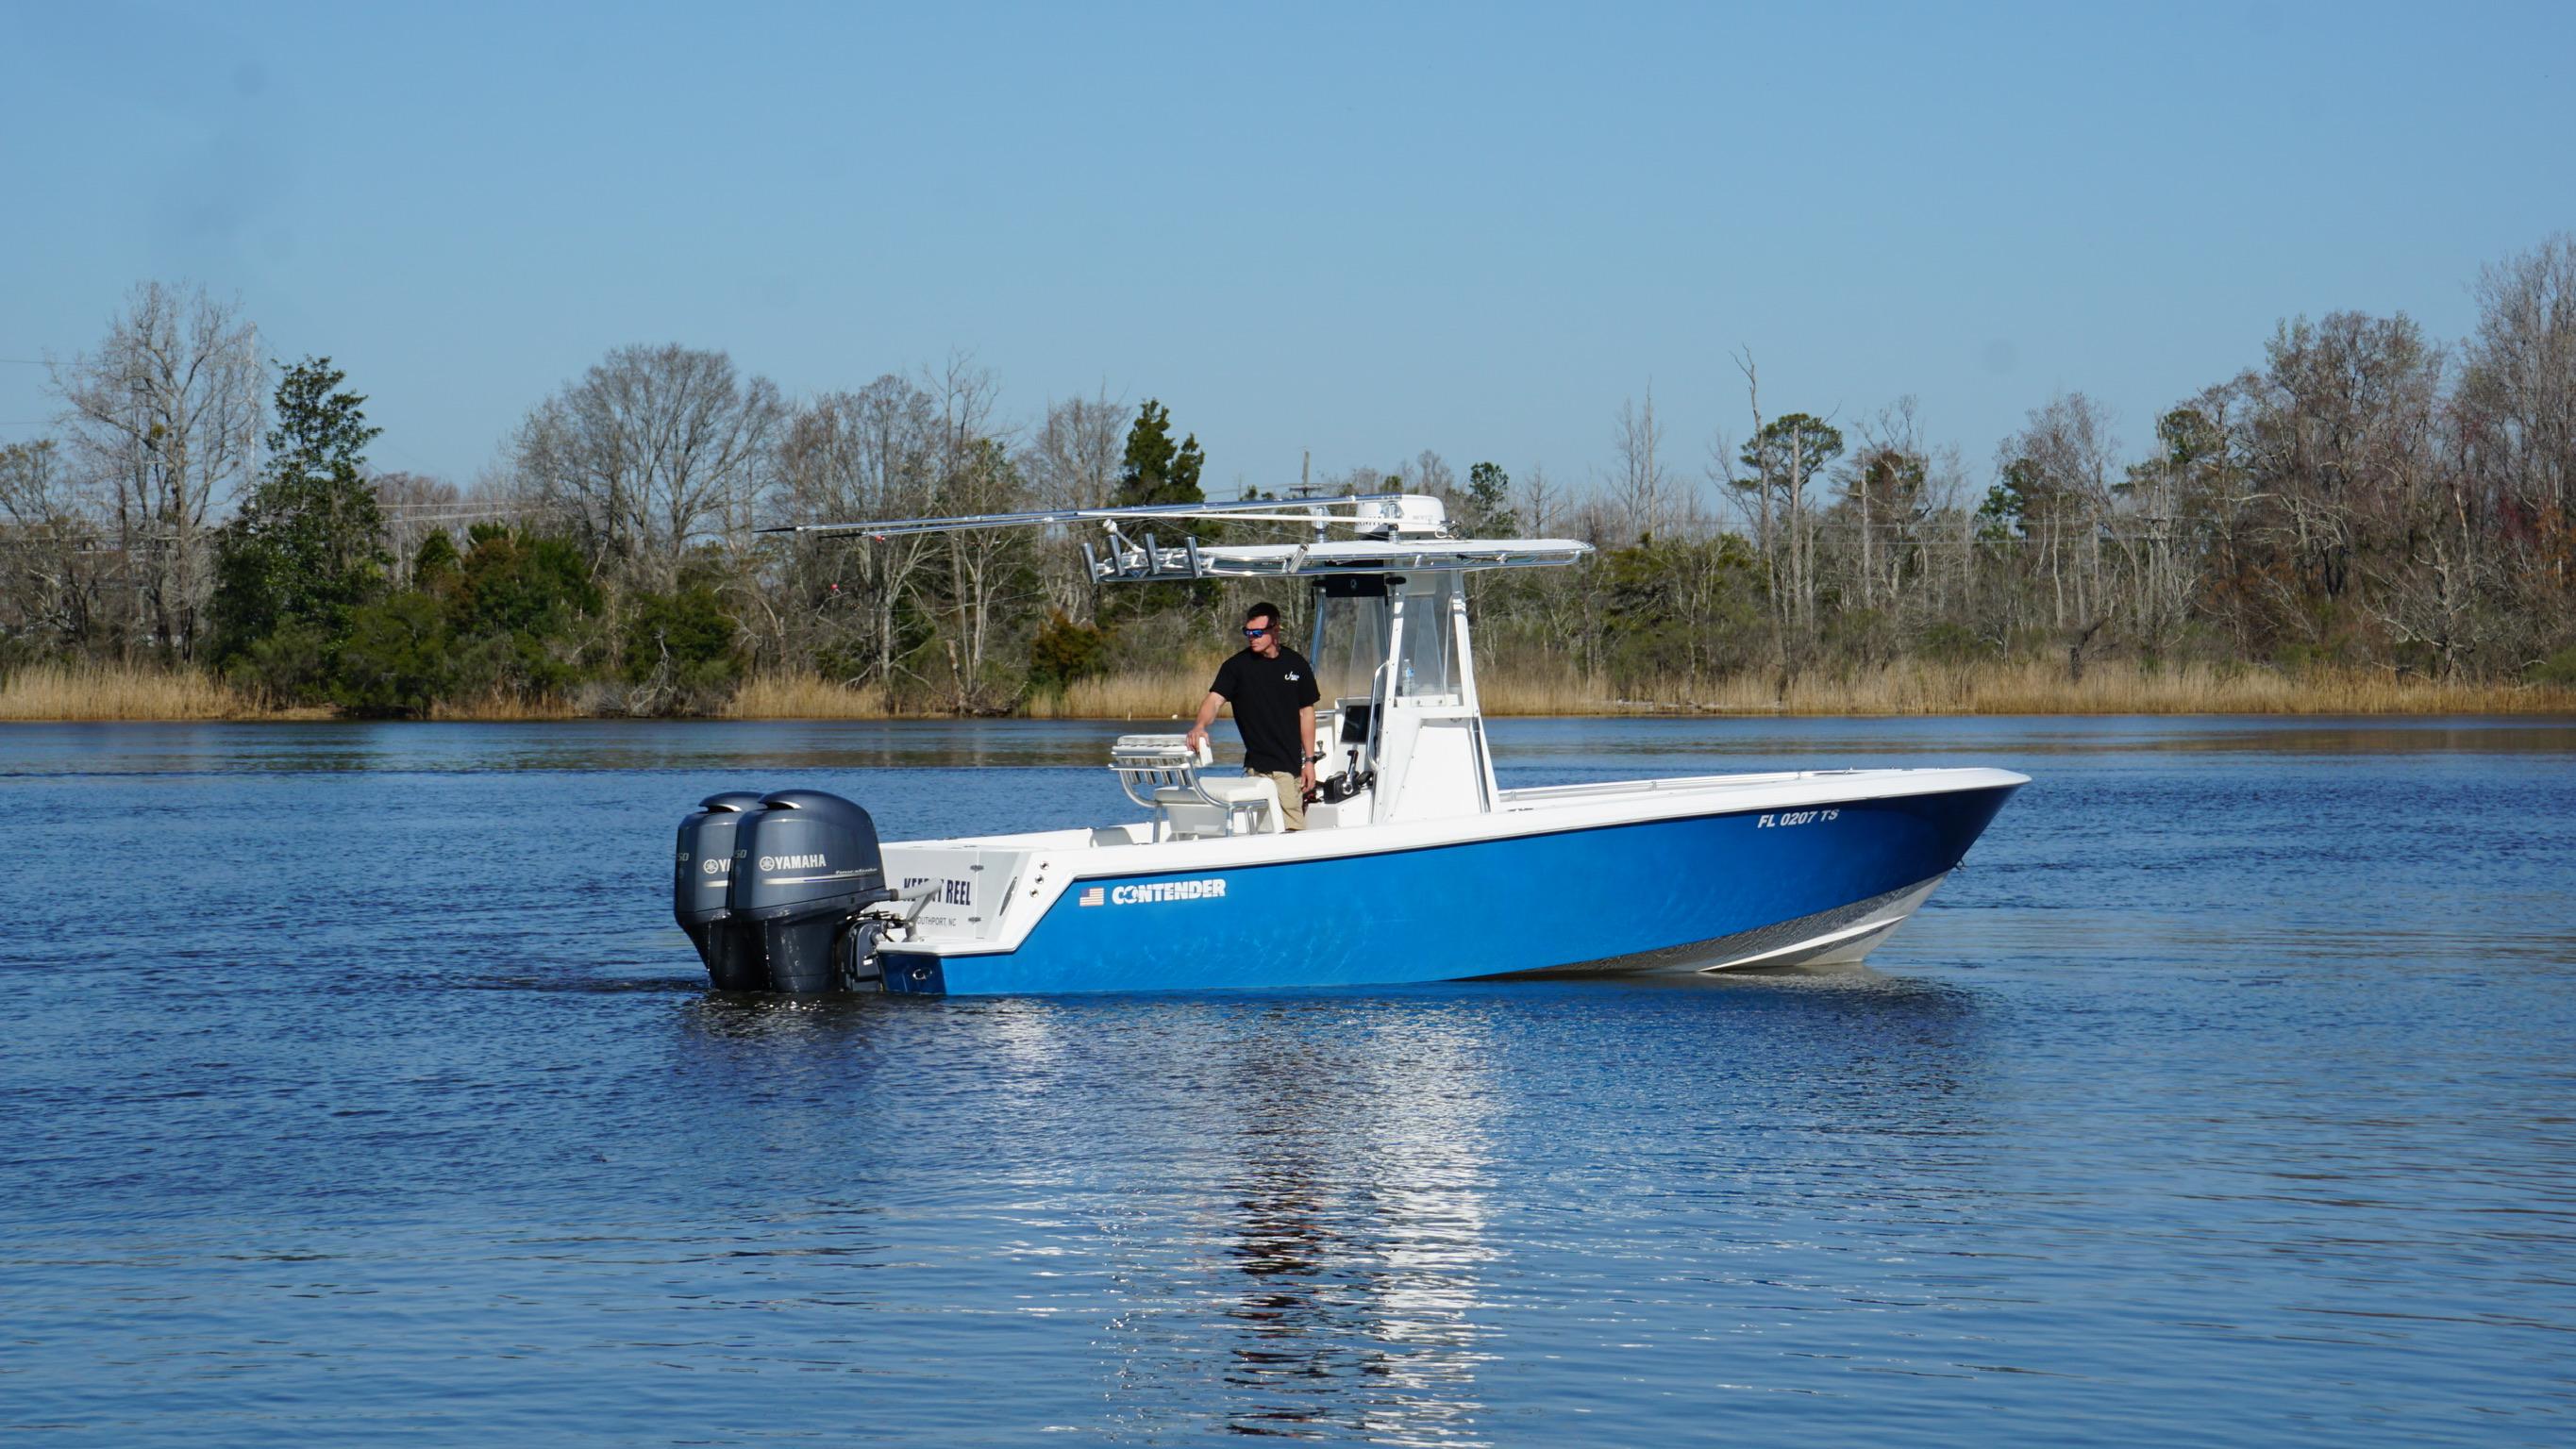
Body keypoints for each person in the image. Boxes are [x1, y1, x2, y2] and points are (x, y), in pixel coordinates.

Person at [1184, 601, 1320, 830]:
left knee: (1292, 830)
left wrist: (1309, 761)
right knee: (1262, 829)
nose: (1252, 637)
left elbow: (1306, 713)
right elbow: (1214, 700)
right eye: (1248, 632)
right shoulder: (1236, 667)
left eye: (1258, 632)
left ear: (1275, 630)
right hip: (1255, 769)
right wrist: (1200, 725)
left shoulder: (1297, 665)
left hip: (1288, 768)